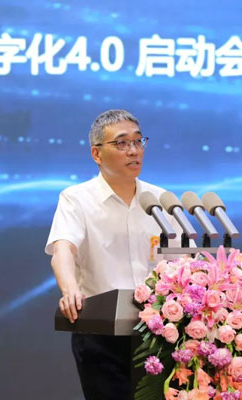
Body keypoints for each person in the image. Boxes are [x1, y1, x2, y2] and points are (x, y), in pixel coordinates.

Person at [45, 109, 179, 400]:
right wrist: (69, 290)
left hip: (158, 333)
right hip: (100, 332)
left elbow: (182, 260)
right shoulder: (76, 199)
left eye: (138, 141)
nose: (133, 150)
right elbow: (63, 248)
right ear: (97, 153)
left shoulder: (161, 200)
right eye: (121, 143)